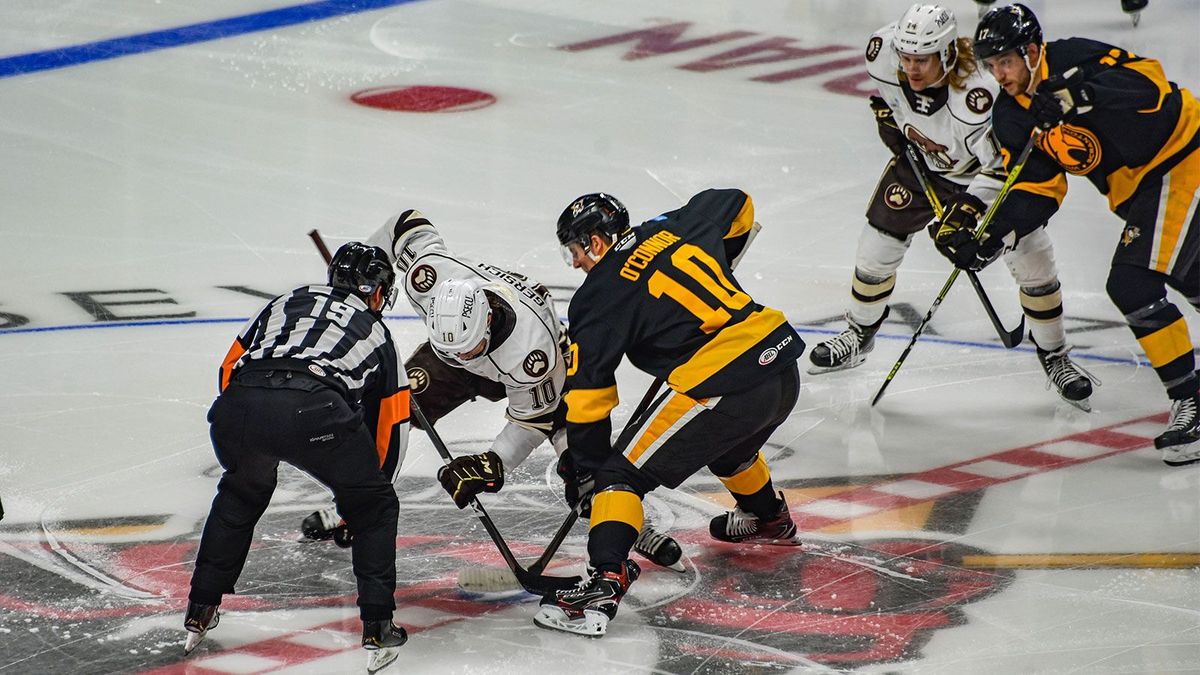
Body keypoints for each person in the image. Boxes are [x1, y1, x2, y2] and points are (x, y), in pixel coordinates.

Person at [299, 209, 683, 571]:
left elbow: (532, 420)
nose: (462, 358)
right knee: (389, 411)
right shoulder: (429, 279)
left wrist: (494, 462)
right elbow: (406, 223)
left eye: (467, 350)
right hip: (456, 348)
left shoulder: (533, 354)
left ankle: (629, 524)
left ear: (487, 322)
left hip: (540, 361)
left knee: (578, 452)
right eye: (451, 349)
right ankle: (355, 504)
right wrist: (361, 289)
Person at [534, 190, 804, 637]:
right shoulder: (675, 225)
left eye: (576, 252)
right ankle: (769, 517)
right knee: (729, 448)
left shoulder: (598, 296)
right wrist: (722, 256)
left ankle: (603, 582)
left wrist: (589, 469)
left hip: (726, 383)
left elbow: (589, 397)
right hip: (779, 364)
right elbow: (737, 202)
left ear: (596, 242)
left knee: (620, 477)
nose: (577, 263)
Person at [809, 3, 1094, 410]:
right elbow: (894, 101)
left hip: (983, 179)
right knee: (875, 249)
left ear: (946, 54)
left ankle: (1055, 355)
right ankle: (858, 335)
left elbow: (1001, 165)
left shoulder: (976, 97)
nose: (911, 68)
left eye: (922, 59)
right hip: (922, 168)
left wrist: (969, 211)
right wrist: (892, 121)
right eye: (906, 57)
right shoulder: (882, 54)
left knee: (1033, 261)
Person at [963, 4, 1199, 465]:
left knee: (1132, 283)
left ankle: (1191, 399)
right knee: (1192, 281)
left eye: (1005, 62)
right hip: (1139, 190)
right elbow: (1038, 190)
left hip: (1182, 157)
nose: (999, 75)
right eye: (990, 66)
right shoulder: (1013, 115)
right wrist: (993, 234)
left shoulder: (1073, 57)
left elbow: (1150, 85)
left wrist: (1080, 95)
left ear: (1031, 51)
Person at [185, 242, 411, 671]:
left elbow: (229, 367)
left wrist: (252, 424)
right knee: (376, 506)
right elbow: (388, 433)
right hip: (315, 411)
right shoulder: (378, 332)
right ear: (378, 292)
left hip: (239, 406)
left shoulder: (288, 299)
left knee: (240, 493)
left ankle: (200, 607)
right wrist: (362, 498)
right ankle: (378, 625)